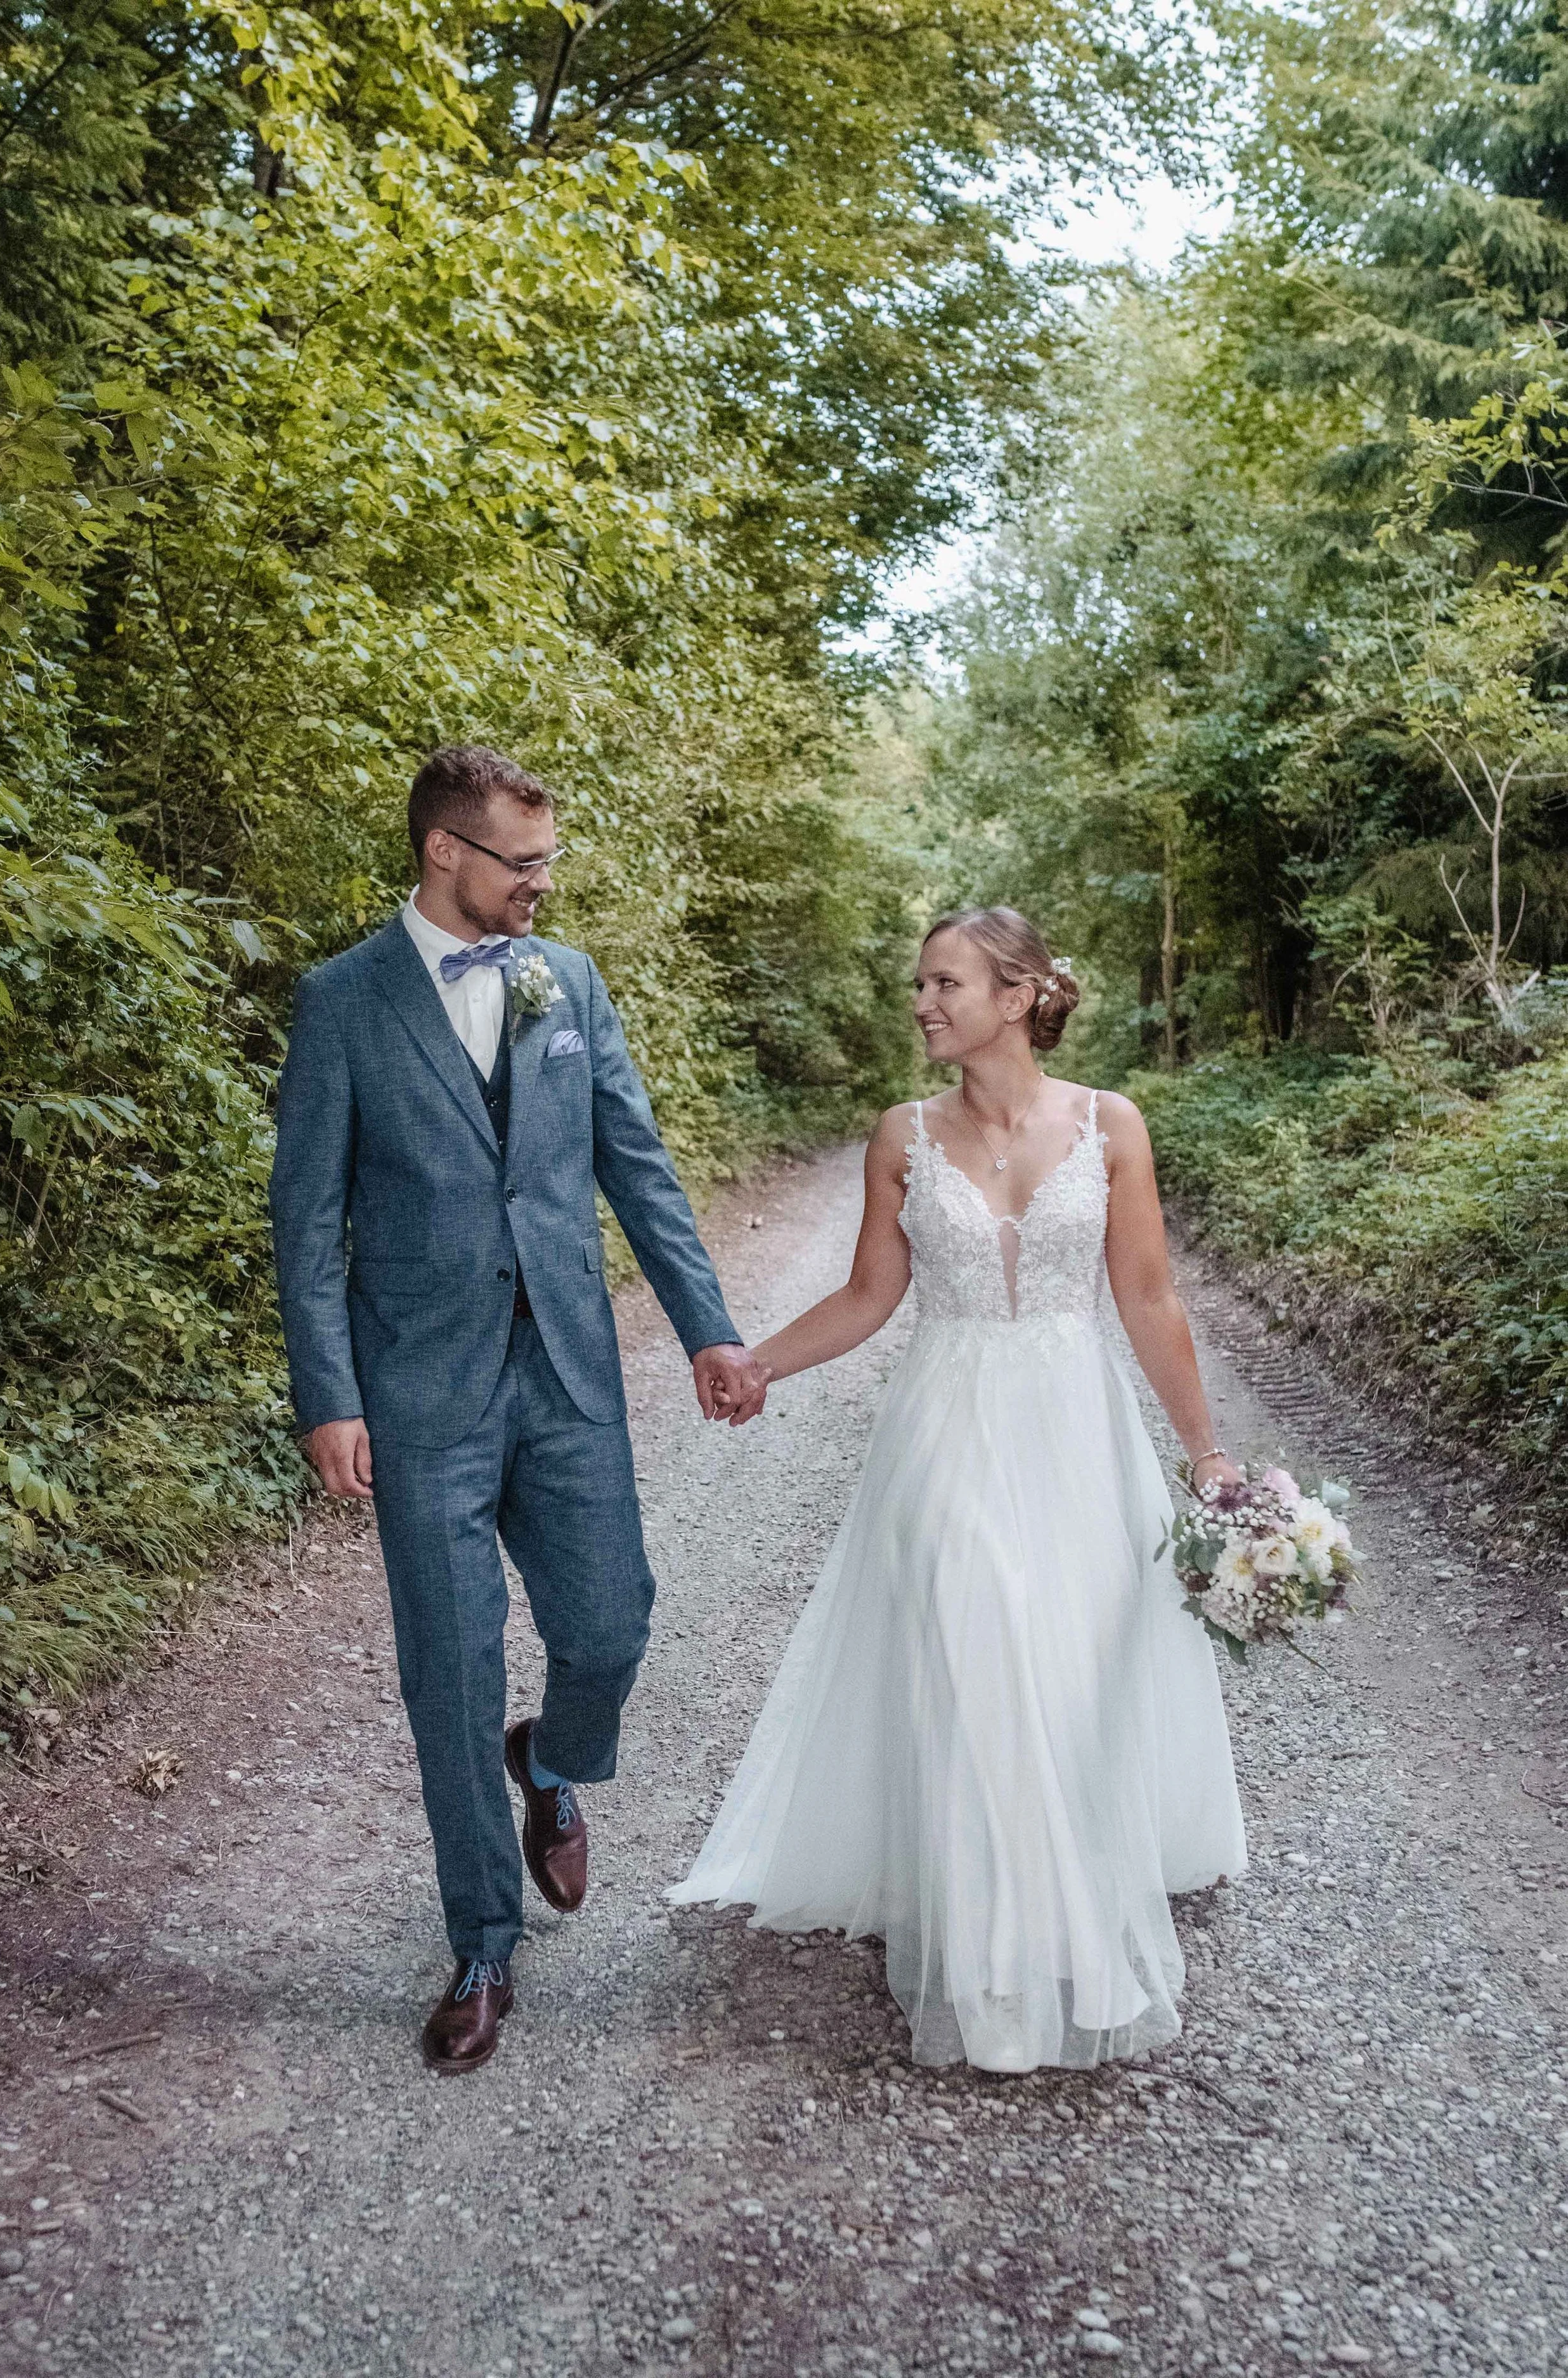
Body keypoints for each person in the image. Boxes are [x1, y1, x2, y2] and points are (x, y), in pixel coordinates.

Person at [671, 906, 1248, 2071]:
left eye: (947, 983)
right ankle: (995, 1945)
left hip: (1077, 1430)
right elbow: (869, 1294)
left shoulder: (1111, 1124)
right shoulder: (903, 1134)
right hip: (945, 1427)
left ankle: (1061, 1883)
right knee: (971, 1628)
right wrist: (757, 1362)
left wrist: (1208, 1458)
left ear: (1020, 994)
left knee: (1067, 1663)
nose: (923, 1002)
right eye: (921, 983)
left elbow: (1148, 1298)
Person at [269, 744, 760, 2072]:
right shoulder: (344, 1001)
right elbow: (306, 1220)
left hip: (565, 1371)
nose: (542, 882)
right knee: (451, 1668)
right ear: (446, 851)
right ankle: (483, 1942)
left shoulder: (568, 982)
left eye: (548, 859)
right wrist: (329, 1394)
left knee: (611, 1623)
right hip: (419, 1387)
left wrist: (708, 1327)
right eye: (522, 861)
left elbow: (637, 1166)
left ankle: (550, 1759)